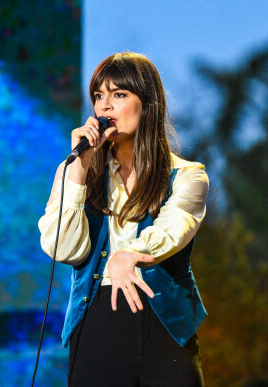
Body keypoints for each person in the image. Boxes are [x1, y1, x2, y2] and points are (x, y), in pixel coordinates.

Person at [38, 52, 209, 386]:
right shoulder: (75, 171)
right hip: (97, 324)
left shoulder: (188, 175)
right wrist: (78, 170)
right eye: (99, 97)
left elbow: (174, 228)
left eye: (118, 95)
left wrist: (128, 256)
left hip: (163, 322)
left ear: (147, 104)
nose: (105, 107)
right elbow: (63, 249)